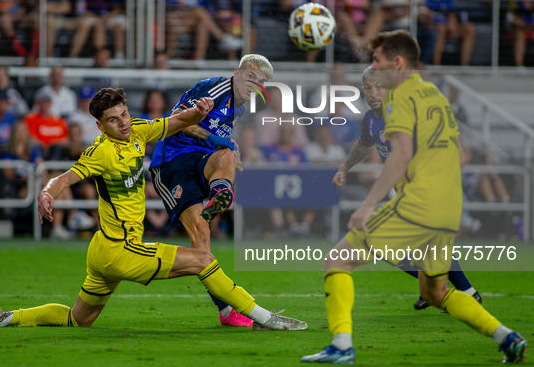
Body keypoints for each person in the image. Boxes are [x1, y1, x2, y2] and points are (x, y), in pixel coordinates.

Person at [0, 87, 307, 332]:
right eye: (113, 120)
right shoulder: (101, 151)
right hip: (123, 250)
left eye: (124, 114)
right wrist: (47, 192)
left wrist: (197, 112)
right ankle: (264, 316)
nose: (122, 123)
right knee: (203, 260)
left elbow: (173, 124)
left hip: (102, 250)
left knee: (79, 320)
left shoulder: (137, 132)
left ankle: (3, 318)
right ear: (100, 126)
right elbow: (66, 176)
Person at [301, 30, 527, 364]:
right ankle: (507, 337)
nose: (374, 68)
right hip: (449, 207)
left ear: (398, 62)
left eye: (378, 60)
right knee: (434, 292)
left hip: (418, 201)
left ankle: (342, 345)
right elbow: (457, 152)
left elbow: (401, 154)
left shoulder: (398, 96)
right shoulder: (433, 94)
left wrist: (367, 204)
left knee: (337, 260)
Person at [332, 66, 482, 311]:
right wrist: (344, 168)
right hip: (406, 193)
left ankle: (455, 291)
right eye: (368, 88)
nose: (373, 92)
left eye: (378, 86)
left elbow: (456, 152)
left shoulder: (406, 113)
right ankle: (442, 289)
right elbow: (363, 145)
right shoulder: (371, 118)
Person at [148, 54, 272, 327]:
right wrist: (219, 140)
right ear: (237, 72)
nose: (255, 85)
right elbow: (176, 119)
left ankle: (220, 194)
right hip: (172, 164)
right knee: (201, 237)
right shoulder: (214, 89)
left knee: (229, 154)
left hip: (198, 162)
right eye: (251, 77)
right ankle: (226, 309)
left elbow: (220, 143)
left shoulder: (238, 107)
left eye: (261, 83)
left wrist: (227, 151)